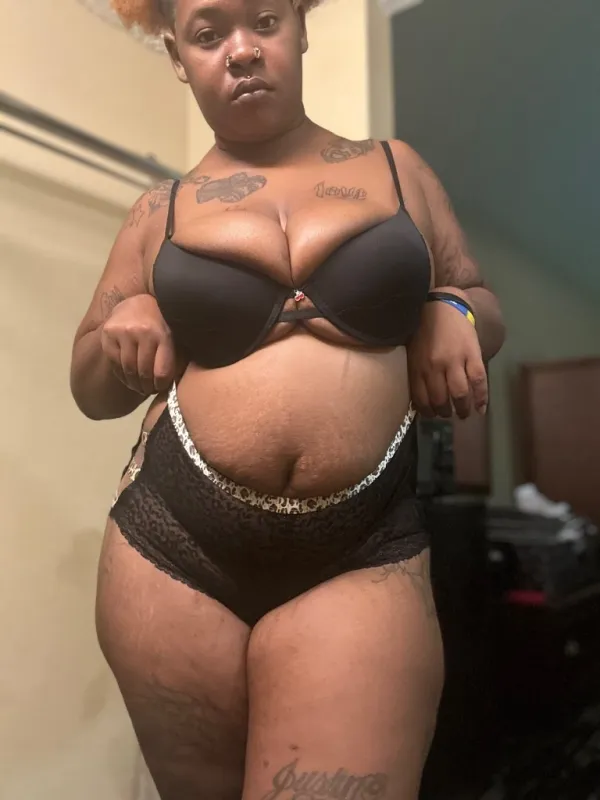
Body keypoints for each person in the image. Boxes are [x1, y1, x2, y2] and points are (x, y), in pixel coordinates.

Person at [70, 0, 505, 797]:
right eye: (209, 35)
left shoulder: (397, 170)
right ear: (178, 57)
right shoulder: (158, 212)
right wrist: (123, 331)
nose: (241, 51)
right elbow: (90, 390)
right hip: (171, 546)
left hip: (362, 547)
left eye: (264, 20)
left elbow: (481, 300)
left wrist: (454, 310)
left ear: (302, 26)